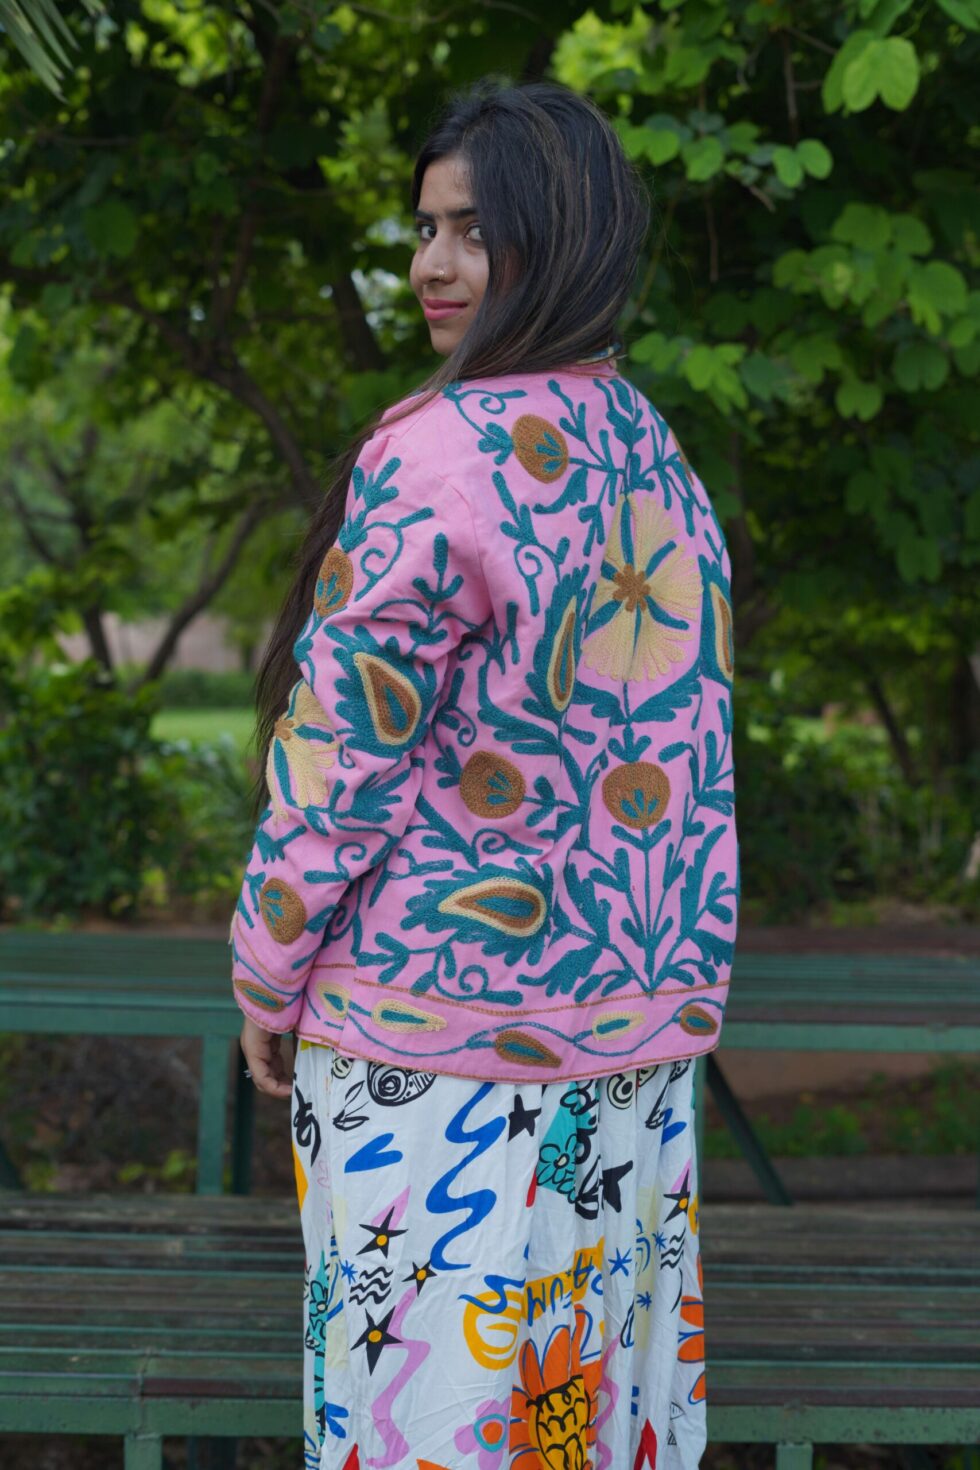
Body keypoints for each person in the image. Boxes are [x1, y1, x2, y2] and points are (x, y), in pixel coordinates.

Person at [231, 76, 738, 1470]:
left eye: (473, 230)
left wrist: (267, 969)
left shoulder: (437, 455)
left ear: (560, 239)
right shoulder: (652, 453)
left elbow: (340, 763)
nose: (433, 265)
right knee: (581, 1419)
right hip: (627, 1057)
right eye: (424, 228)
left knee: (427, 1430)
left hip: (431, 1060)